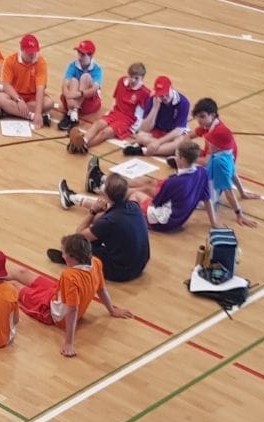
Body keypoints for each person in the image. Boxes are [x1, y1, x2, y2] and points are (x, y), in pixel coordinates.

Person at [0, 236, 131, 357]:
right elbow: (101, 289)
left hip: (50, 312)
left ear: (72, 257)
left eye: (63, 253)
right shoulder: (95, 262)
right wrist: (112, 310)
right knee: (22, 272)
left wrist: (69, 342)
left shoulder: (70, 277)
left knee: (12, 286)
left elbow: (72, 310)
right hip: (57, 294)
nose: (61, 255)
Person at [61, 139, 218, 233]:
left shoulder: (175, 182)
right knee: (144, 187)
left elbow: (157, 201)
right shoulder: (201, 173)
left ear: (182, 159)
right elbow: (207, 198)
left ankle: (75, 198)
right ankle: (99, 186)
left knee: (122, 203)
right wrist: (214, 222)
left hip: (163, 221)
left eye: (176, 156)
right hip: (178, 219)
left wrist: (137, 193)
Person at [49, 172, 150, 282]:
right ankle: (71, 198)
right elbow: (131, 197)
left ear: (105, 194)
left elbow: (79, 236)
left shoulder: (109, 221)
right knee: (99, 230)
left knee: (78, 244)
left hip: (122, 272)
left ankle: (72, 259)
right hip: (141, 264)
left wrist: (93, 211)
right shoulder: (133, 206)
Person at [190, 97, 259, 228]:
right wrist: (243, 193)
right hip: (209, 180)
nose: (208, 143)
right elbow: (233, 174)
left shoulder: (219, 162)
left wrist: (239, 213)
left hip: (206, 196)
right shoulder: (228, 154)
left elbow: (228, 191)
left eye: (211, 142)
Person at [82, 62, 152, 149]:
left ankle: (84, 147)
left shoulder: (144, 93)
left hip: (128, 121)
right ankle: (83, 140)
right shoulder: (121, 81)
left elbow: (142, 115)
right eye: (131, 77)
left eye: (136, 78)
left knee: (105, 132)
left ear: (142, 78)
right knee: (98, 124)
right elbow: (116, 99)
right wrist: (110, 112)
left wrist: (134, 129)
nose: (133, 80)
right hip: (116, 113)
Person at [123, 76, 190, 157]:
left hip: (173, 134)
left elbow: (178, 130)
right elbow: (145, 128)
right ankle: (166, 149)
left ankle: (144, 151)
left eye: (166, 94)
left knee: (179, 142)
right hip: (158, 131)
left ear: (171, 88)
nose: (164, 97)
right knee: (140, 136)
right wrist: (155, 108)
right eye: (161, 95)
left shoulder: (183, 102)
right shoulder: (152, 100)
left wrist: (158, 142)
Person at [0, 33, 51, 126]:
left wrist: (38, 113)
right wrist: (18, 100)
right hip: (15, 96)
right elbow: (6, 86)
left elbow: (40, 89)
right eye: (29, 52)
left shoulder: (40, 62)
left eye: (34, 51)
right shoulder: (10, 61)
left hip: (32, 98)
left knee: (49, 103)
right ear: (22, 50)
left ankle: (9, 111)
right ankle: (30, 116)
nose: (33, 54)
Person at [58, 40, 103, 132]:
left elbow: (93, 90)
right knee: (73, 81)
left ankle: (71, 113)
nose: (79, 57)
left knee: (85, 77)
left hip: (89, 103)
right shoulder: (72, 65)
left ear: (91, 56)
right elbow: (64, 86)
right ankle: (73, 114)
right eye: (79, 53)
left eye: (83, 55)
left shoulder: (97, 69)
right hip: (71, 101)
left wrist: (75, 94)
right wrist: (68, 96)